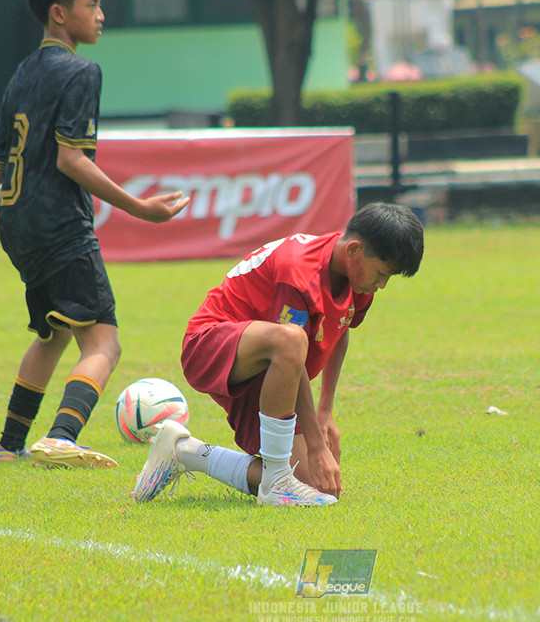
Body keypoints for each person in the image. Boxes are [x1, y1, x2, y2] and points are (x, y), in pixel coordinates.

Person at [0, 0, 189, 469]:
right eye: (93, 4)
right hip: (59, 225)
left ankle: (8, 445)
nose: (102, 15)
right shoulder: (82, 71)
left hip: (17, 225)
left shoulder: (21, 74)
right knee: (104, 342)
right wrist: (140, 208)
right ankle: (61, 436)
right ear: (59, 13)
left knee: (55, 333)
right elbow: (71, 160)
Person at [131, 202, 424, 506]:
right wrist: (315, 444)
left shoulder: (357, 277)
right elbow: (289, 346)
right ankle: (276, 481)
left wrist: (325, 410)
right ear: (354, 250)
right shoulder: (298, 269)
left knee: (314, 485)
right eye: (381, 273)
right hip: (209, 345)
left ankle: (185, 452)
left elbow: (342, 326)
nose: (382, 284)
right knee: (291, 340)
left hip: (267, 370)